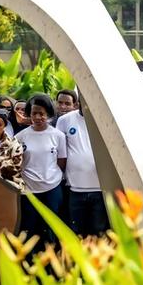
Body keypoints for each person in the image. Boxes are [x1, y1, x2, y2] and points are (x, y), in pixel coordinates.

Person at [15, 94, 67, 247]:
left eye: (41, 114)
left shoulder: (58, 136)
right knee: (29, 230)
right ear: (29, 114)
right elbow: (16, 162)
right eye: (34, 113)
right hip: (28, 191)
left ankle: (50, 266)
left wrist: (50, 175)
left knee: (50, 229)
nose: (38, 117)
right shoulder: (20, 136)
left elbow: (62, 161)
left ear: (48, 114)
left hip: (52, 188)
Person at [56, 100, 108, 237]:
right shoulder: (64, 120)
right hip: (75, 189)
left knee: (98, 232)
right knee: (76, 232)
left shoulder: (106, 118)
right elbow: (58, 151)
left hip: (100, 189)